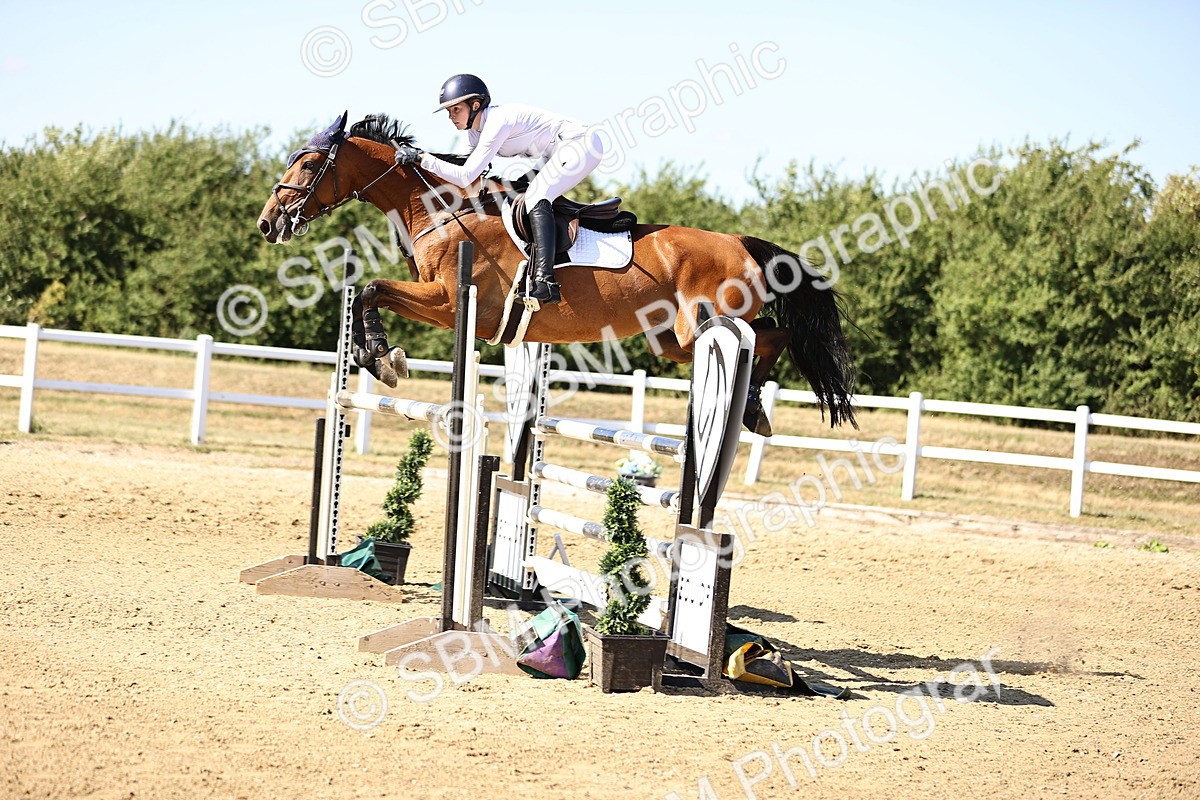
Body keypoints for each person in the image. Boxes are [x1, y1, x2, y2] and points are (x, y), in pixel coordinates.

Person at [394, 74, 604, 305]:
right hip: (553, 153)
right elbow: (459, 166)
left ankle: (545, 281)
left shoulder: (497, 121)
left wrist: (422, 158)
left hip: (580, 145)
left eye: (456, 109)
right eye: (449, 111)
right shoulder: (474, 131)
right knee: (519, 189)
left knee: (536, 196)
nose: (451, 117)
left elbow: (465, 177)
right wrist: (418, 158)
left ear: (475, 105)